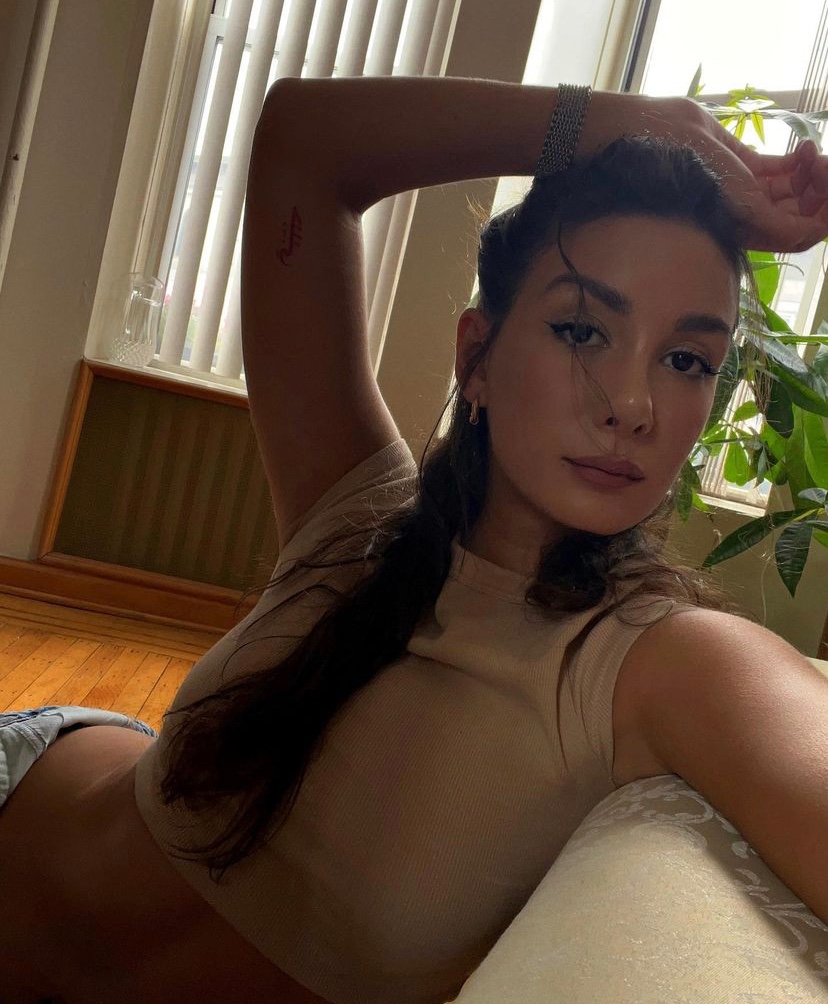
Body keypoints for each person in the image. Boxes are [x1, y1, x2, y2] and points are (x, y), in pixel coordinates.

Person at [1, 76, 827, 1004]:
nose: (633, 405)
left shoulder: (659, 661)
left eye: (686, 360)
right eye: (582, 329)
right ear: (476, 357)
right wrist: (640, 124)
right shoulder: (357, 514)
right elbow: (303, 142)